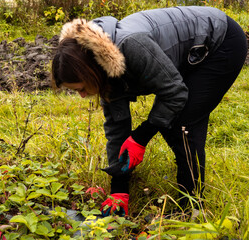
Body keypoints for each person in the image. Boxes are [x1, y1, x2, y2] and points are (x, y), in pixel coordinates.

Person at [51, 6, 248, 216]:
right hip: (188, 53)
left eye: (81, 88)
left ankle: (191, 207)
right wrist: (119, 190)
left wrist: (140, 137)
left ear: (90, 73)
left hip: (220, 41)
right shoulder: (103, 65)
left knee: (182, 124)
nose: (82, 96)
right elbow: (118, 126)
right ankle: (190, 200)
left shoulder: (131, 46)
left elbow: (174, 92)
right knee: (170, 119)